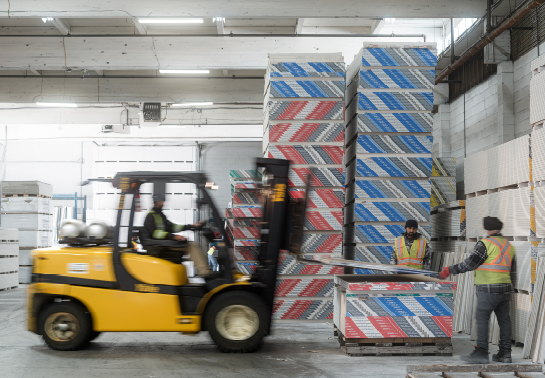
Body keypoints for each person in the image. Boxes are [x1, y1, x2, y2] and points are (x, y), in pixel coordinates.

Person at [439, 216, 516, 364]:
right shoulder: (508, 245)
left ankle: (481, 352)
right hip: (505, 289)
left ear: (486, 229)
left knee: (482, 318)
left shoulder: (485, 244)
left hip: (488, 288)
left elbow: (469, 264)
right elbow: (513, 271)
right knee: (504, 320)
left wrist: (450, 270)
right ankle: (505, 353)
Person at [144, 196, 210, 275]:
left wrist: (191, 226)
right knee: (192, 245)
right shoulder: (151, 216)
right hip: (160, 245)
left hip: (164, 243)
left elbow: (172, 227)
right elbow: (155, 233)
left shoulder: (159, 214)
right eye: (162, 201)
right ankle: (205, 273)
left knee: (189, 243)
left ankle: (203, 270)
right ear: (157, 201)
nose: (164, 203)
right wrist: (173, 237)